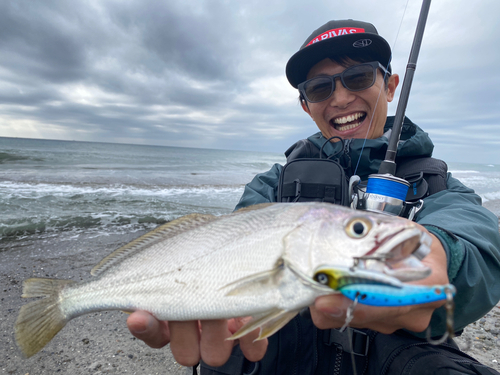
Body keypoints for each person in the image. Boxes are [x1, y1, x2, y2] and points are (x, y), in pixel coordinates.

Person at [126, 20, 500, 374]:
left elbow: (480, 246)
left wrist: (439, 258)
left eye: (358, 77)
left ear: (389, 86)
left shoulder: (432, 181)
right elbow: (227, 249)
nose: (340, 97)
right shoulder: (273, 184)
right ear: (306, 105)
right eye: (320, 88)